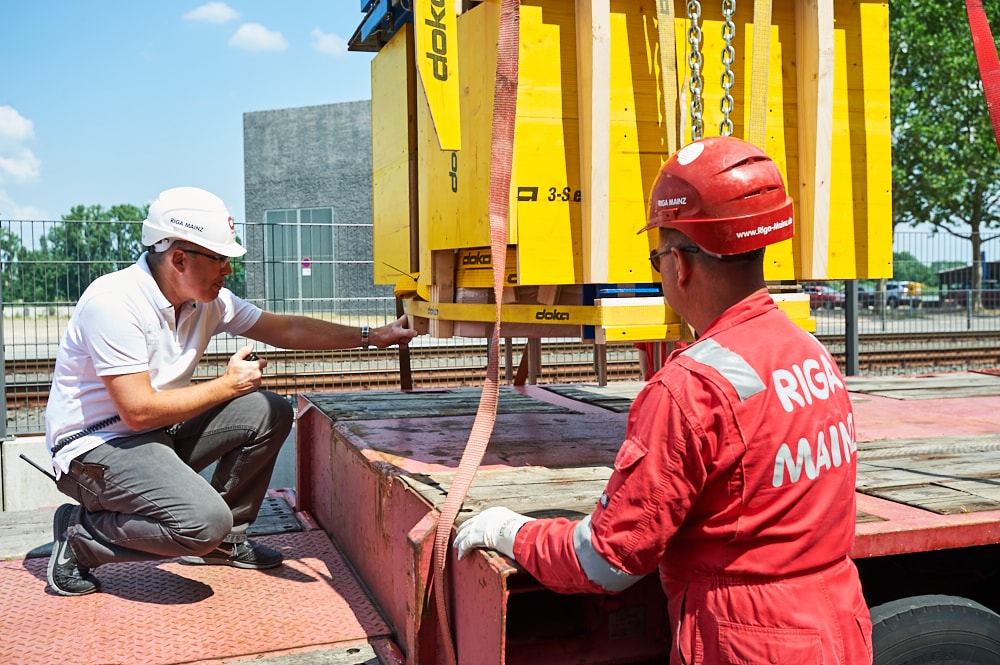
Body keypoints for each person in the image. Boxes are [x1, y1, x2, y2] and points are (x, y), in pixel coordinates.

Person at [454, 137, 873, 663]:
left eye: (656, 257)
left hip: (748, 641)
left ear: (680, 263)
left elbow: (606, 561)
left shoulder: (690, 388)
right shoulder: (810, 353)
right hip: (835, 625)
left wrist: (509, 531)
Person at [44, 186, 418, 596]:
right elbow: (137, 411)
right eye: (220, 258)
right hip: (95, 450)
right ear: (180, 259)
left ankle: (225, 541)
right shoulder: (115, 302)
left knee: (269, 410)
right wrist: (226, 385)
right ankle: (79, 535)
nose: (228, 269)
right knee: (202, 522)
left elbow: (285, 328)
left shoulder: (208, 301)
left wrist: (373, 335)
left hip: (152, 435)